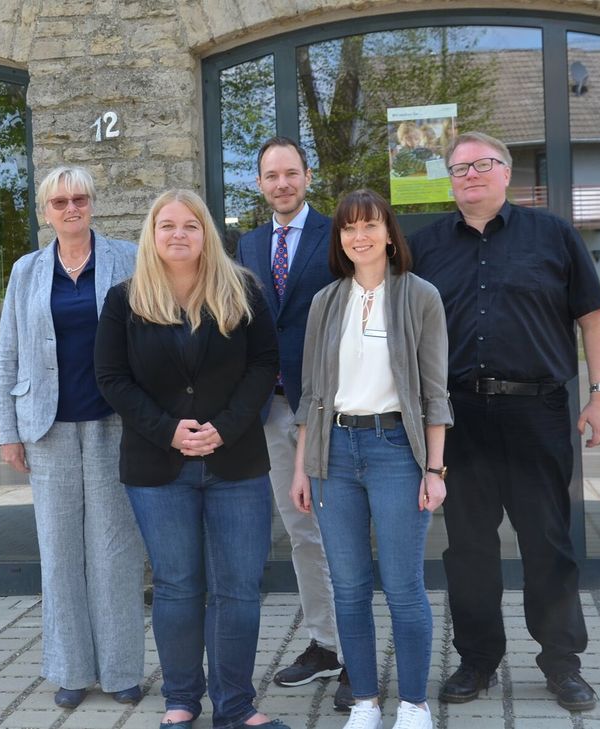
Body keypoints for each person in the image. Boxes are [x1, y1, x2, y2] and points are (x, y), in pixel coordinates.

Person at [408, 131, 600, 712]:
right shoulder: (424, 248)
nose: (470, 175)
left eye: (482, 164)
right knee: (468, 548)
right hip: (458, 418)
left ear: (506, 171)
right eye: (459, 168)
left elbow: (593, 318)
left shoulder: (553, 235)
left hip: (536, 412)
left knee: (547, 543)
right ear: (449, 181)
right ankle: (477, 660)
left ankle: (561, 663)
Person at [94, 189, 289, 729]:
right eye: (167, 225)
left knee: (237, 589)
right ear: (151, 235)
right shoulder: (124, 300)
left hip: (236, 463)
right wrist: (168, 432)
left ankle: (236, 706)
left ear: (207, 233)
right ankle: (181, 701)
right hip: (158, 467)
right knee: (177, 586)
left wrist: (225, 427)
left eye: (190, 225)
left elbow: (264, 364)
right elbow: (111, 378)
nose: (178, 234)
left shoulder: (243, 291)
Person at [291, 189, 453, 729]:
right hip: (334, 453)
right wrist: (303, 467)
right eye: (348, 228)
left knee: (403, 587)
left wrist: (434, 470)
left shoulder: (420, 296)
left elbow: (435, 393)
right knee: (350, 587)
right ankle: (364, 701)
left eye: (369, 226)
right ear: (339, 239)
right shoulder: (326, 301)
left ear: (389, 234)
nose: (359, 237)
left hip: (396, 452)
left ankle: (414, 703)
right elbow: (311, 393)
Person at [0, 166, 145, 710]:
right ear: (46, 211)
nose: (71, 208)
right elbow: (8, 352)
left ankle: (122, 669)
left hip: (114, 423)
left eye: (79, 198)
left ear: (93, 204)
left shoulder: (127, 259)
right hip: (47, 427)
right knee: (59, 554)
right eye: (59, 202)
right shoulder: (26, 271)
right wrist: (8, 432)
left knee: (115, 552)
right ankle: (70, 669)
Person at [236, 137, 352, 710]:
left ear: (307, 176)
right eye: (270, 175)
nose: (281, 183)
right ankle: (325, 644)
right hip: (274, 407)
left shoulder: (337, 235)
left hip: (333, 406)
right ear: (260, 183)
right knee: (302, 531)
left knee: (343, 530)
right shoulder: (248, 244)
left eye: (290, 173)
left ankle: (357, 653)